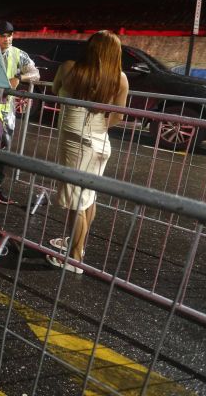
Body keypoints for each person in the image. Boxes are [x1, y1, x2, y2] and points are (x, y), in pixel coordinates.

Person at [46, 30, 129, 273]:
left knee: (76, 203)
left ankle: (74, 259)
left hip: (75, 142)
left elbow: (54, 88)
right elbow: (119, 115)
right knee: (88, 198)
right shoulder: (120, 79)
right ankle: (76, 244)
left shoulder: (70, 68)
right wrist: (100, 127)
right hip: (101, 142)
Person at [0, 20, 39, 204]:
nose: (7, 38)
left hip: (6, 109)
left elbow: (36, 74)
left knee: (4, 148)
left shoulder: (19, 54)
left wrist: (19, 77)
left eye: (10, 35)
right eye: (3, 35)